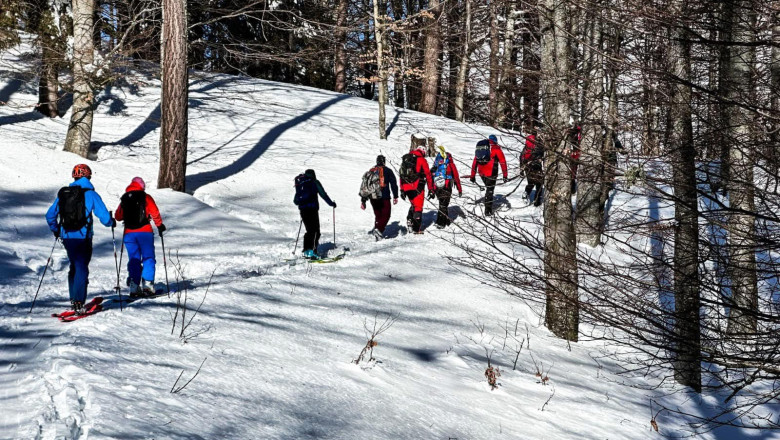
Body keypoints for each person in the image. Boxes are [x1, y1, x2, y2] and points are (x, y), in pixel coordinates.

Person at [45, 164, 115, 314]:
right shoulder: (90, 194)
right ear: (88, 176)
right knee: (82, 266)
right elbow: (104, 218)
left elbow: (50, 215)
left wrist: (56, 230)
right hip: (83, 237)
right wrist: (111, 222)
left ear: (74, 176)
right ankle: (79, 302)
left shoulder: (64, 194)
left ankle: (73, 298)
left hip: (66, 236)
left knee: (74, 266)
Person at [115, 177, 166, 297]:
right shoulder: (146, 197)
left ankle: (134, 286)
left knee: (134, 259)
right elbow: (155, 212)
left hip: (129, 234)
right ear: (142, 186)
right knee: (148, 257)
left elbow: (118, 216)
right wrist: (159, 225)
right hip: (145, 233)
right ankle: (147, 285)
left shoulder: (125, 198)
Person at [294, 169, 336, 259]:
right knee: (315, 231)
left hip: (303, 211)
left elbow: (295, 201)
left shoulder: (301, 184)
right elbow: (323, 195)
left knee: (309, 230)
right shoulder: (315, 182)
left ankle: (306, 250)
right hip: (312, 210)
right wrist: (331, 204)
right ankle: (312, 251)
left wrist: (303, 202)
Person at [360, 155, 399, 240]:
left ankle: (377, 230)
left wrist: (363, 200)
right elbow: (393, 184)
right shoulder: (388, 171)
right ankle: (379, 230)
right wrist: (395, 196)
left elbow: (365, 186)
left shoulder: (371, 171)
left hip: (372, 197)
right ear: (384, 162)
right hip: (384, 196)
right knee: (386, 215)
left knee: (378, 215)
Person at [469, 134, 508, 216]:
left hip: (481, 173)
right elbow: (503, 162)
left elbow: (474, 163)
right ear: (496, 141)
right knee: (490, 190)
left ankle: (488, 204)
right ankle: (488, 211)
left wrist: (472, 175)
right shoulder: (496, 148)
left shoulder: (482, 147)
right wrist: (505, 175)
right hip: (491, 174)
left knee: (488, 189)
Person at [399, 145, 434, 234]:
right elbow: (428, 175)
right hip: (417, 186)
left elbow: (401, 175)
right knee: (418, 207)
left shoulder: (406, 159)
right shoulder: (422, 160)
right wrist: (431, 189)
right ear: (423, 151)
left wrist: (402, 189)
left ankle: (410, 220)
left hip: (406, 187)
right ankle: (416, 229)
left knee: (414, 205)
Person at [430, 145, 462, 228]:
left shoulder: (436, 165)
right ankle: (441, 223)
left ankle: (443, 220)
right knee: (444, 204)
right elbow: (456, 177)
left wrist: (432, 191)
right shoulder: (450, 164)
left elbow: (432, 178)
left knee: (442, 203)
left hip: (437, 187)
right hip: (447, 186)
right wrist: (459, 189)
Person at [521, 134, 545, 206]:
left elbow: (521, 158)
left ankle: (526, 192)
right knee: (539, 184)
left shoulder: (525, 148)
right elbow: (543, 154)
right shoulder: (538, 147)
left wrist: (521, 169)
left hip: (527, 167)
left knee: (531, 182)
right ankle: (537, 202)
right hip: (536, 167)